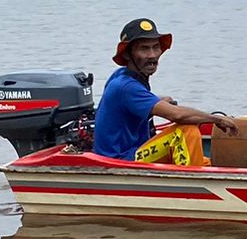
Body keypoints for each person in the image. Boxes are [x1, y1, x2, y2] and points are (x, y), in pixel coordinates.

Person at [92, 18, 238, 163]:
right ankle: (192, 182)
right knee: (184, 131)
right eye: (144, 49)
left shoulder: (122, 76)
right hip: (121, 159)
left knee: (204, 160)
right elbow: (177, 115)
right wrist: (216, 119)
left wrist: (157, 100)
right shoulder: (127, 87)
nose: (152, 55)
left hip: (131, 152)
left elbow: (132, 100)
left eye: (155, 47)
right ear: (127, 54)